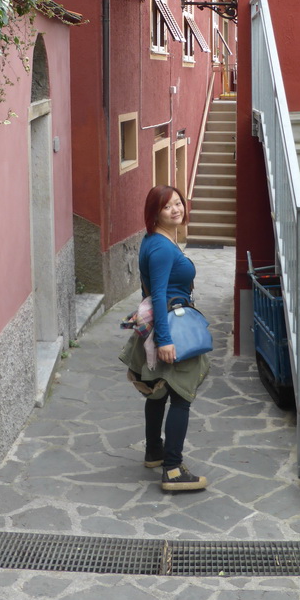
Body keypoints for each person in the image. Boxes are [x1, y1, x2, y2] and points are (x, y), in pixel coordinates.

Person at [119, 185, 210, 492]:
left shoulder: (159, 240)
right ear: (155, 212)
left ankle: (154, 452)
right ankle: (172, 470)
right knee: (181, 397)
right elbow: (157, 294)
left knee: (157, 394)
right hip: (171, 328)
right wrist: (165, 340)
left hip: (166, 323)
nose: (176, 209)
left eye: (178, 203)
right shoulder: (160, 247)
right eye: (168, 206)